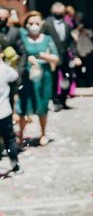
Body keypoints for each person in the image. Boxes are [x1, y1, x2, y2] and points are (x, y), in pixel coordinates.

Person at [16, 11, 59, 146]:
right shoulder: (22, 39)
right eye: (31, 23)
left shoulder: (47, 39)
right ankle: (21, 135)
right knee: (24, 106)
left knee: (42, 105)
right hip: (26, 76)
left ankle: (43, 133)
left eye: (37, 23)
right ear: (26, 25)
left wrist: (43, 56)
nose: (34, 26)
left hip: (43, 77)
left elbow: (56, 57)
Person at [43, 2, 81, 112]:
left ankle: (63, 100)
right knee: (53, 80)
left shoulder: (66, 24)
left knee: (68, 78)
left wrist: (75, 56)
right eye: (57, 10)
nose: (59, 12)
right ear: (53, 11)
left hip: (65, 57)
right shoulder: (46, 23)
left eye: (61, 10)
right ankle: (56, 102)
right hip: (52, 57)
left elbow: (71, 43)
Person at [0, 55, 20, 176]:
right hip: (4, 111)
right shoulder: (4, 69)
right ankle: (15, 166)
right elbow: (15, 75)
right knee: (9, 139)